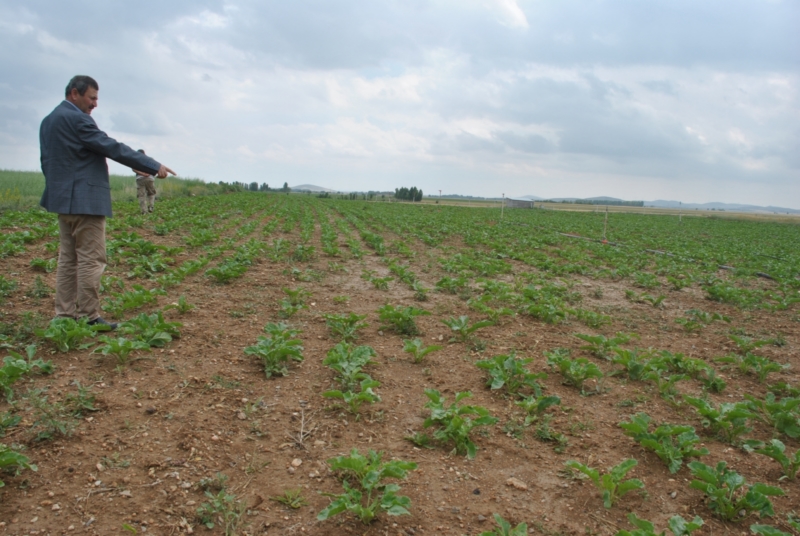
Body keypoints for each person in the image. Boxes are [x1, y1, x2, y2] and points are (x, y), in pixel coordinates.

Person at [39, 75, 176, 330]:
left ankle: (64, 316)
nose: (95, 104)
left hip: (63, 201)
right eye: (92, 98)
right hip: (85, 201)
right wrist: (152, 164)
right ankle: (90, 317)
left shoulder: (49, 121)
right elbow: (111, 147)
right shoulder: (78, 119)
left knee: (68, 259)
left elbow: (46, 161)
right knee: (92, 259)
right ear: (74, 94)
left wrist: (60, 190)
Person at [133, 149, 157, 214]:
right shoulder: (150, 159)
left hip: (139, 178)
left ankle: (144, 211)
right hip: (150, 178)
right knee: (151, 193)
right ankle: (151, 206)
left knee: (141, 195)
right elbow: (155, 167)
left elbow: (134, 169)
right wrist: (148, 173)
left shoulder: (136, 160)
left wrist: (142, 174)